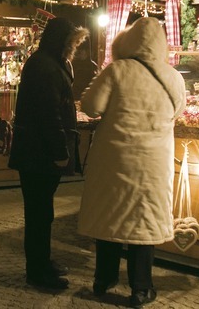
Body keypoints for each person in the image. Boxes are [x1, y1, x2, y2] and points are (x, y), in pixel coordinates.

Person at [78, 17, 186, 308]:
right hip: (153, 161)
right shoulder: (173, 76)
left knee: (110, 216)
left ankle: (103, 281)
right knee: (144, 220)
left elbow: (91, 106)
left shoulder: (117, 70)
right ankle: (141, 288)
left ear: (128, 40)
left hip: (115, 158)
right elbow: (178, 110)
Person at [8, 17, 88, 290]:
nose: (74, 48)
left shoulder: (50, 62)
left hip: (38, 151)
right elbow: (48, 114)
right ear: (62, 42)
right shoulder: (45, 66)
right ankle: (37, 271)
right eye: (73, 43)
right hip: (38, 152)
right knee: (39, 213)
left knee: (43, 212)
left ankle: (43, 262)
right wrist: (60, 152)